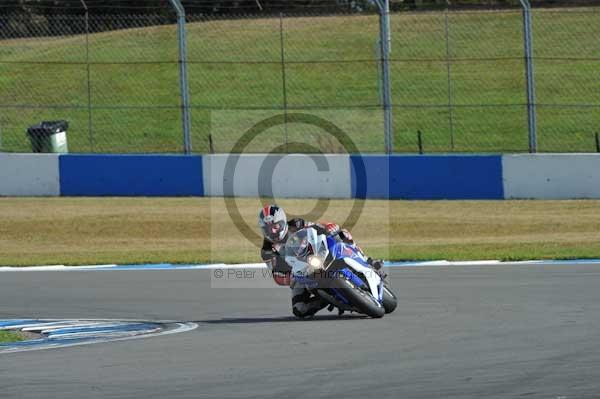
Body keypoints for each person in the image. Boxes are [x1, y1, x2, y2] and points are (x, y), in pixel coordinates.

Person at [258, 204, 385, 318]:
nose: (273, 230)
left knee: (342, 234)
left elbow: (318, 226)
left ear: (283, 222)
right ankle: (327, 299)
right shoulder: (267, 251)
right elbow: (277, 275)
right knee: (299, 310)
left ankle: (367, 260)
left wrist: (330, 227)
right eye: (268, 228)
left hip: (318, 253)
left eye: (275, 225)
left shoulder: (297, 224)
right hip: (299, 273)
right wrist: (289, 277)